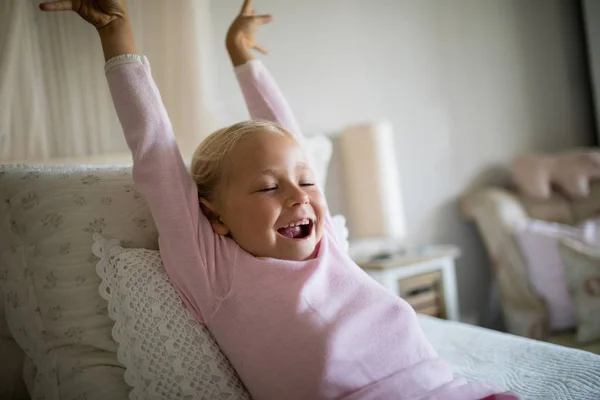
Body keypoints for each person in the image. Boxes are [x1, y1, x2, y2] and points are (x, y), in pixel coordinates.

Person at [39, 1, 518, 399]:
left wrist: (243, 58)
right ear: (216, 217)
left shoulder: (325, 237)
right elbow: (155, 154)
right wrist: (116, 36)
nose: (299, 198)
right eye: (268, 187)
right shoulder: (214, 270)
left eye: (306, 183)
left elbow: (291, 145)